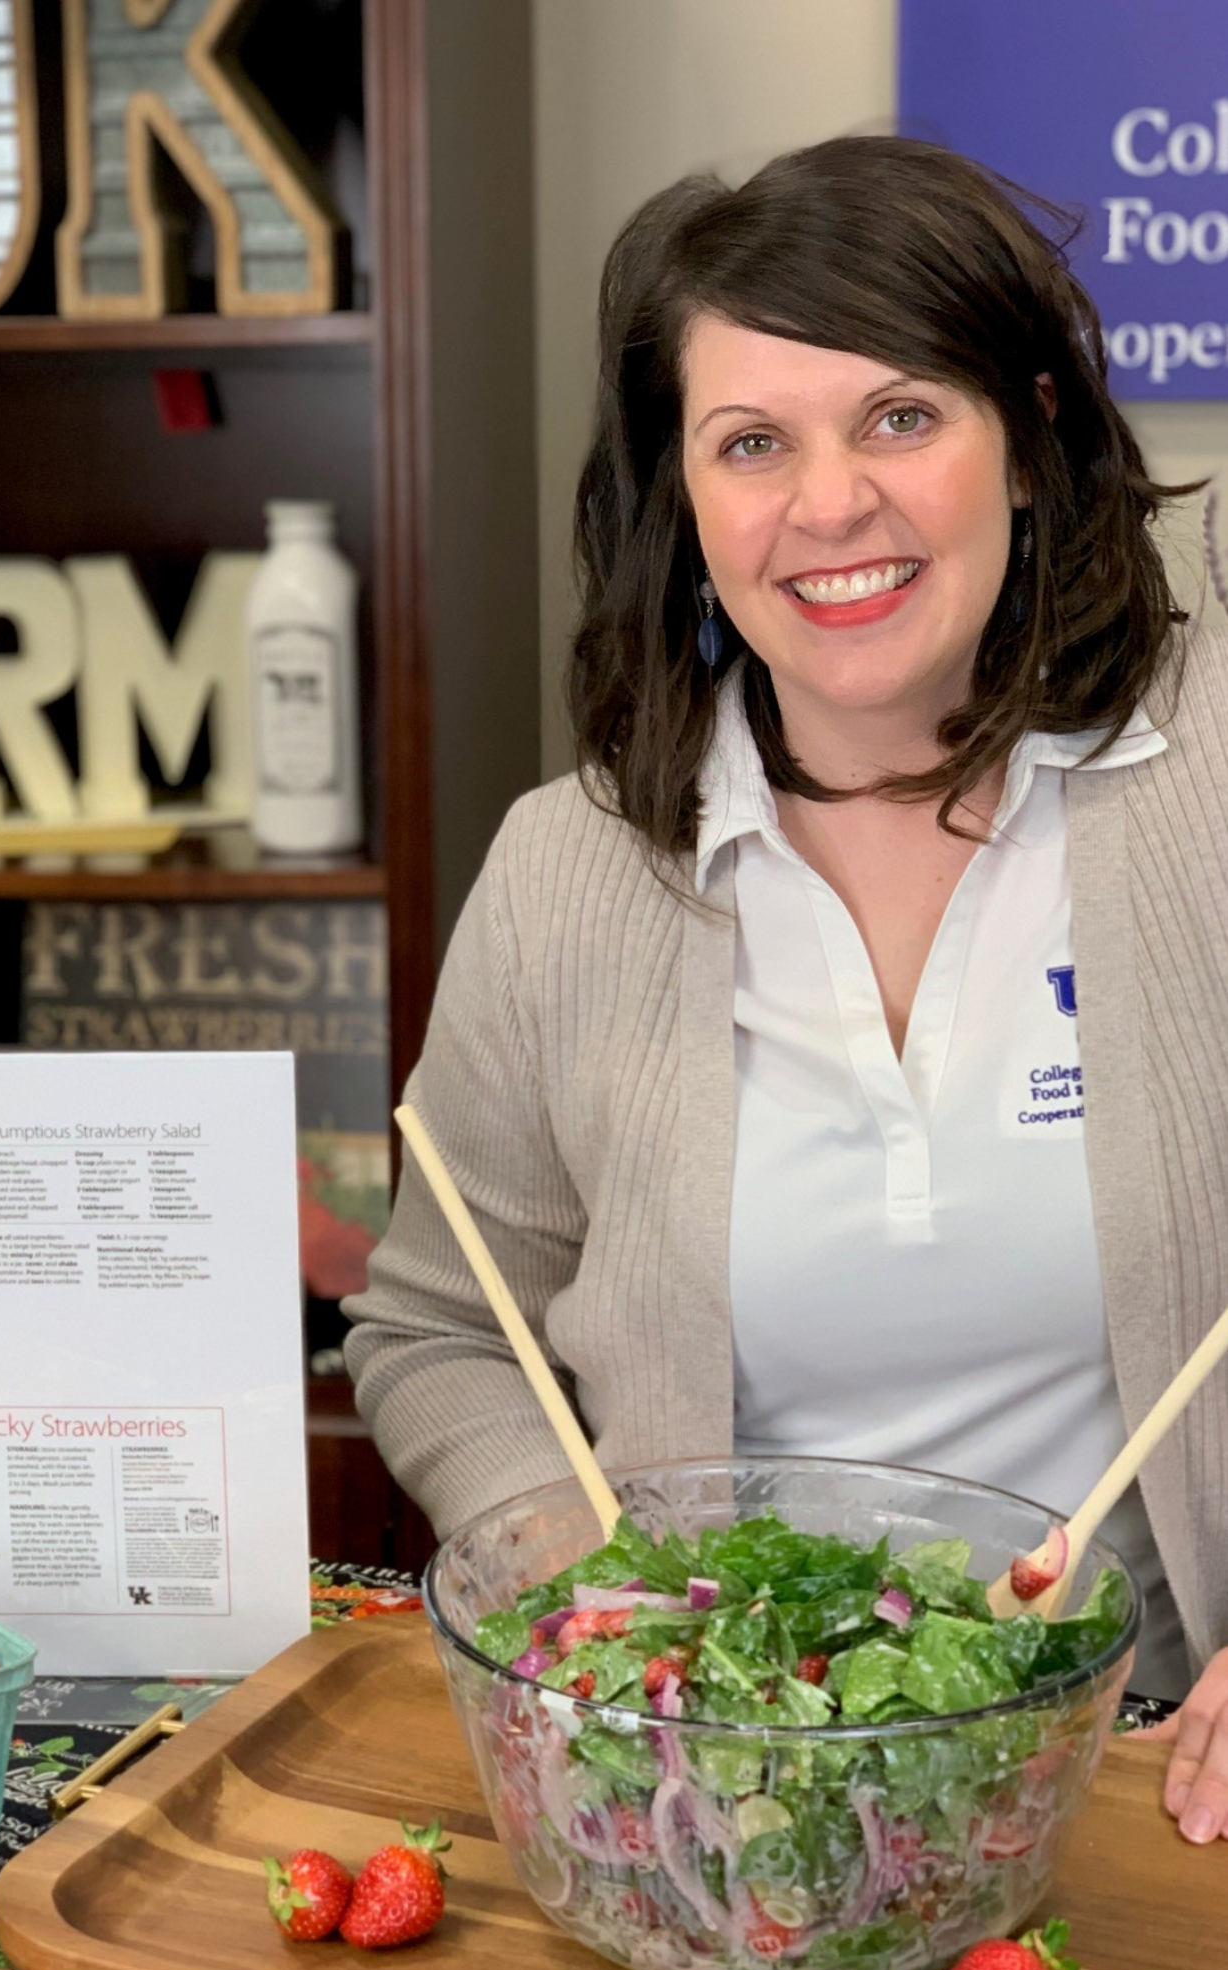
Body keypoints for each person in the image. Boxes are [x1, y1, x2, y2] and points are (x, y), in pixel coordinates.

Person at [343, 135, 1228, 1842]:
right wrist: (587, 1590)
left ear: (1030, 443)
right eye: (753, 444)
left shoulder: (1209, 786)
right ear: (685, 504)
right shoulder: (566, 875)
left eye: (901, 416)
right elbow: (442, 1328)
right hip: (714, 1809)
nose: (830, 505)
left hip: (1147, 1789)